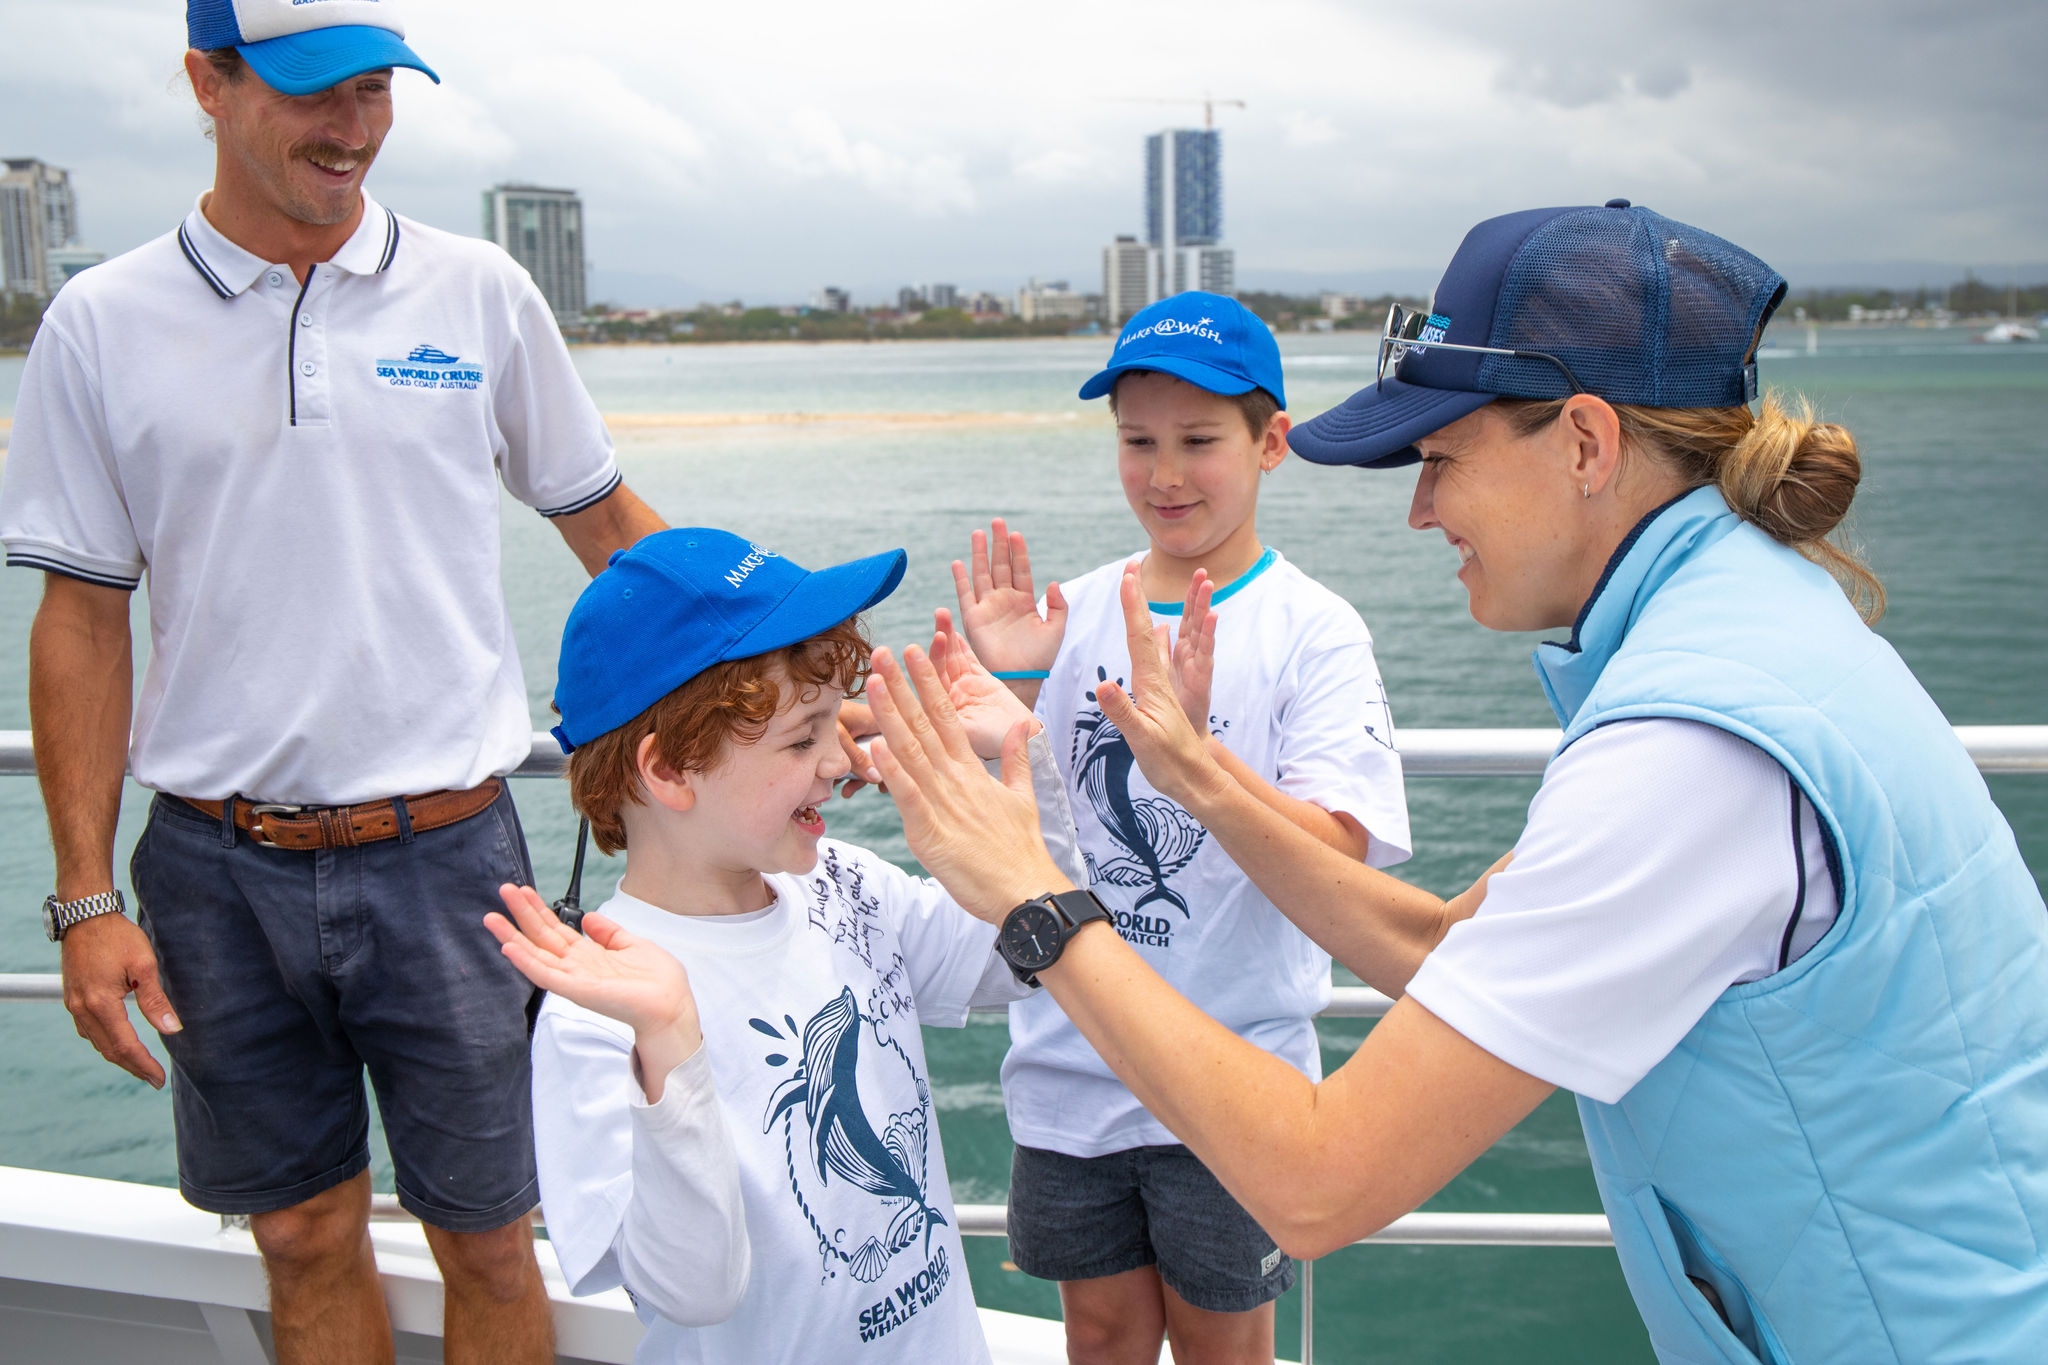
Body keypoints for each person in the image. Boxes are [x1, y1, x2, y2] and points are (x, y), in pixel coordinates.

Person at [858, 202, 2048, 1364]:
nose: (1421, 509)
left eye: (1438, 460)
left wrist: (1033, 896)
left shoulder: (1692, 748)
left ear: (1583, 442)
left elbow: (1319, 1187)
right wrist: (1199, 775)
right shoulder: (1749, 637)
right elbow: (1438, 951)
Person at [0, 4, 667, 1361]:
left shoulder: (479, 290)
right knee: (300, 1235)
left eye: (375, 90)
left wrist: (792, 675)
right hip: (213, 871)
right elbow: (81, 618)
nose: (354, 128)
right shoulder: (98, 322)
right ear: (208, 81)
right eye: (315, 93)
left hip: (453, 856)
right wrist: (84, 901)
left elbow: (608, 528)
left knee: (490, 1233)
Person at [487, 529, 1090, 1364]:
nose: (842, 758)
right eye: (804, 737)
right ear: (671, 771)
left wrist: (1025, 758)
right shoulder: (603, 1010)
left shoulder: (843, 882)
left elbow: (1015, 958)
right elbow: (693, 1290)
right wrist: (671, 1044)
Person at [951, 291, 1410, 1364]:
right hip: (1070, 1066)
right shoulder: (1061, 618)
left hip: (1236, 1081)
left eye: (1199, 441)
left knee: (1225, 1345)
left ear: (1271, 445)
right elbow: (1013, 830)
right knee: (1099, 1336)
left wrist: (1198, 763)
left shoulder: (1314, 630)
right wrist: (1009, 683)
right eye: (1137, 441)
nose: (1163, 475)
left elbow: (1340, 854)